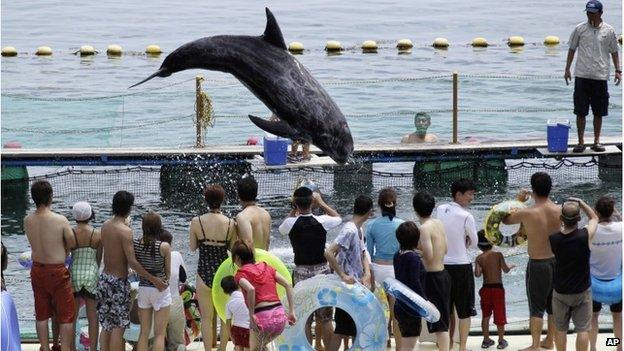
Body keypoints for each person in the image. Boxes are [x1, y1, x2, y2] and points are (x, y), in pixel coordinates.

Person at [98, 191, 167, 351]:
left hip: (104, 279)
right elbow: (133, 262)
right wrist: (154, 279)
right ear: (129, 208)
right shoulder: (126, 231)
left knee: (106, 325)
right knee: (118, 328)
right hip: (118, 284)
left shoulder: (105, 225)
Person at [279, 186, 342, 347]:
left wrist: (294, 209)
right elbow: (338, 218)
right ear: (312, 203)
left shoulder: (291, 224)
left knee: (305, 318)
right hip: (322, 271)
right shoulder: (322, 221)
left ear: (295, 203)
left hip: (301, 273)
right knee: (326, 318)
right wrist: (321, 203)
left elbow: (282, 228)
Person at [503, 172, 559, 351]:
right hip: (556, 261)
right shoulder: (560, 209)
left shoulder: (527, 212)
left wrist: (518, 201)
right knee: (552, 305)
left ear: (533, 191)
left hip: (538, 263)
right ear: (550, 189)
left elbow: (505, 219)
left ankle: (535, 345)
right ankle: (549, 341)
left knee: (536, 307)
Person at [24, 180, 76, 351]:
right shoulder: (60, 220)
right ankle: (66, 348)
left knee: (41, 314)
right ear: (50, 197)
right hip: (57, 271)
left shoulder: (27, 220)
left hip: (37, 269)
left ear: (33, 198)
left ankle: (45, 348)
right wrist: (65, 252)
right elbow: (72, 242)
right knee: (66, 315)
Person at [564, 0, 621, 153]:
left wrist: (618, 70)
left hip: (600, 75)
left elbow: (614, 51)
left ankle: (596, 141)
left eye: (593, 13)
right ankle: (580, 142)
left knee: (599, 111)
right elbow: (571, 49)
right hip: (582, 75)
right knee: (580, 111)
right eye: (588, 12)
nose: (590, 15)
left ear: (600, 13)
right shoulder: (580, 29)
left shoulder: (609, 30)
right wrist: (567, 69)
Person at [189, 184, 237, 351]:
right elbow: (232, 249)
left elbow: (193, 247)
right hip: (223, 273)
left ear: (206, 200)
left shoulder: (197, 221)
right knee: (224, 316)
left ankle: (208, 349)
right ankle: (222, 349)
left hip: (204, 273)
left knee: (206, 319)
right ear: (222, 200)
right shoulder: (231, 223)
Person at [324, 195, 373, 351]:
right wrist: (343, 275)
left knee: (355, 328)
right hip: (347, 289)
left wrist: (367, 273)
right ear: (370, 212)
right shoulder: (350, 230)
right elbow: (329, 253)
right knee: (341, 330)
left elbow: (363, 253)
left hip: (357, 286)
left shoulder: (358, 229)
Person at [549, 198, 598, 351]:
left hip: (561, 291)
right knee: (582, 329)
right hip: (582, 290)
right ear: (578, 219)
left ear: (561, 219)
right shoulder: (584, 236)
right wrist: (581, 202)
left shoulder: (554, 239)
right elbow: (594, 218)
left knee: (560, 329)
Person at [436, 178, 478, 351]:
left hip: (442, 266)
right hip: (461, 266)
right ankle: (463, 346)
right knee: (464, 310)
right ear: (458, 194)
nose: (472, 198)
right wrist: (466, 240)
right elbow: (475, 242)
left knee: (447, 308)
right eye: (470, 194)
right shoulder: (467, 216)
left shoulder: (439, 209)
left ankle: (448, 344)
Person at [231, 240, 296, 350]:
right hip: (280, 318)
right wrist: (291, 311)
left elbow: (251, 289)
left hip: (262, 319)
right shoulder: (267, 267)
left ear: (237, 258)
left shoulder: (240, 274)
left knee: (253, 348)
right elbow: (288, 284)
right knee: (261, 346)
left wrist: (251, 316)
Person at [366, 187, 405, 349]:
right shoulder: (402, 225)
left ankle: (384, 342)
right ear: (395, 204)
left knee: (381, 312)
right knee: (396, 314)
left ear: (379, 205)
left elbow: (368, 252)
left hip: (378, 269)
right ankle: (399, 347)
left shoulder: (372, 225)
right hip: (395, 270)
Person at [413, 191, 450, 351]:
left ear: (415, 209)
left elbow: (428, 256)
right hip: (443, 273)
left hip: (432, 277)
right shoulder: (438, 223)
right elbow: (446, 249)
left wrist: (414, 252)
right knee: (442, 320)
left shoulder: (424, 228)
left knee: (439, 323)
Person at [134, 211, 172, 351]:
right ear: (159, 227)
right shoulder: (164, 246)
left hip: (143, 289)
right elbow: (167, 271)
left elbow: (135, 264)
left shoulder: (136, 244)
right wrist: (165, 281)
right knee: (159, 334)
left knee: (143, 332)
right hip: (160, 289)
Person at [589, 197, 622, 351]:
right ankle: (617, 347)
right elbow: (620, 218)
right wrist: (616, 212)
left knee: (594, 317)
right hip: (617, 286)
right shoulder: (621, 228)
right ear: (611, 211)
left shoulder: (590, 230)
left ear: (596, 212)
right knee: (617, 317)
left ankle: (594, 348)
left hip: (595, 285)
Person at [474, 231, 516, 350]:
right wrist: (511, 266)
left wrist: (478, 265)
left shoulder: (479, 258)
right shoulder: (498, 255)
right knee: (500, 315)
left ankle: (486, 340)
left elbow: (477, 274)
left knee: (485, 316)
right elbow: (506, 270)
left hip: (486, 289)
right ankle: (501, 341)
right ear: (492, 242)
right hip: (498, 289)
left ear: (479, 245)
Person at [70, 201, 102, 351]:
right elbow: (98, 259)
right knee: (92, 316)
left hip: (74, 274)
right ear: (90, 215)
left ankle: (71, 347)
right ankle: (94, 348)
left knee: (73, 316)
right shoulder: (97, 234)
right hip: (91, 274)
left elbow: (67, 256)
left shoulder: (70, 233)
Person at [392, 221, 427, 351]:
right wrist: (425, 301)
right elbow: (415, 281)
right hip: (410, 307)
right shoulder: (413, 258)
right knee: (408, 345)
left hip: (400, 303)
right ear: (416, 239)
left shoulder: (397, 255)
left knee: (406, 341)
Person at [160, 230, 188, 351]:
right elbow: (184, 279)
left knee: (157, 339)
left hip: (157, 303)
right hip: (175, 301)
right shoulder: (176, 255)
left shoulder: (151, 257)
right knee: (177, 343)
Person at [236, 177, 271, 250]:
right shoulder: (266, 214)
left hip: (252, 259)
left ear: (238, 195)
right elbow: (267, 242)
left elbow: (248, 242)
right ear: (256, 193)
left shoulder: (243, 216)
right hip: (265, 257)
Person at [221, 275, 250, 351]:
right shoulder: (247, 296)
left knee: (238, 349)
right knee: (248, 348)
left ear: (225, 291)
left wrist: (231, 336)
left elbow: (228, 322)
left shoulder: (229, 303)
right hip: (248, 328)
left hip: (236, 329)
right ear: (239, 285)